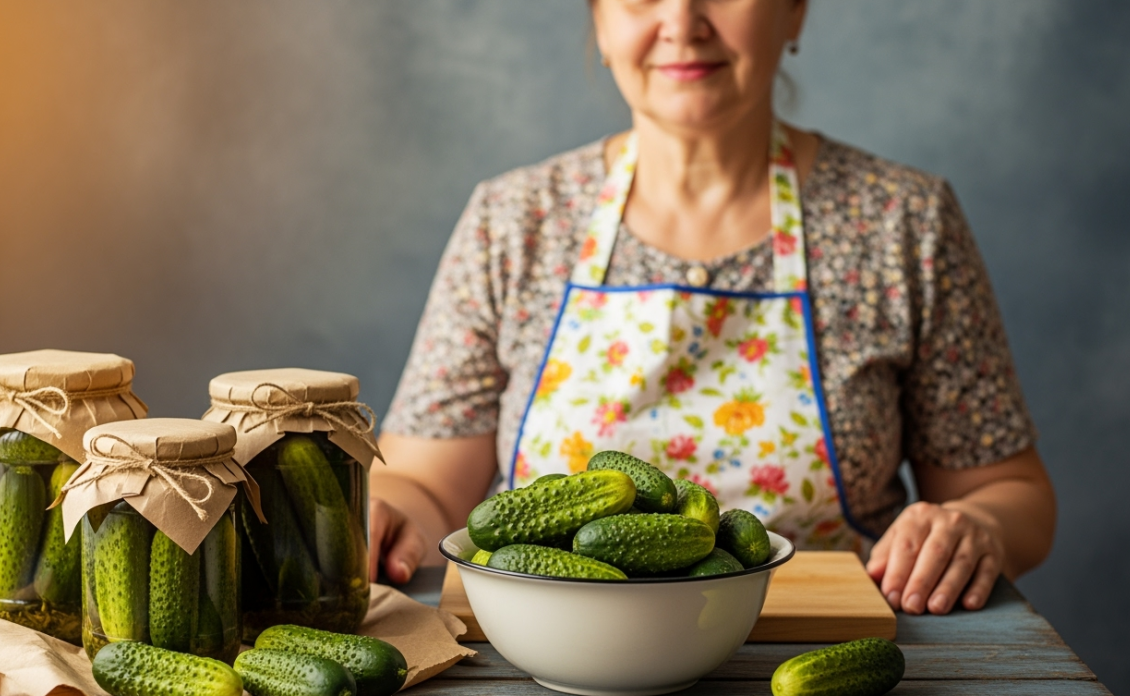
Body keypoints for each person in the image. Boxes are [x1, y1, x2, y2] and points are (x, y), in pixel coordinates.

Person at [369, 0, 1056, 616]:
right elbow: (425, 483)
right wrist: (388, 514)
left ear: (794, 12)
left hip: (827, 641)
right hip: (562, 647)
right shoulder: (513, 221)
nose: (682, 23)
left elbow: (1013, 491)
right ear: (600, 23)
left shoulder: (904, 222)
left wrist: (979, 525)